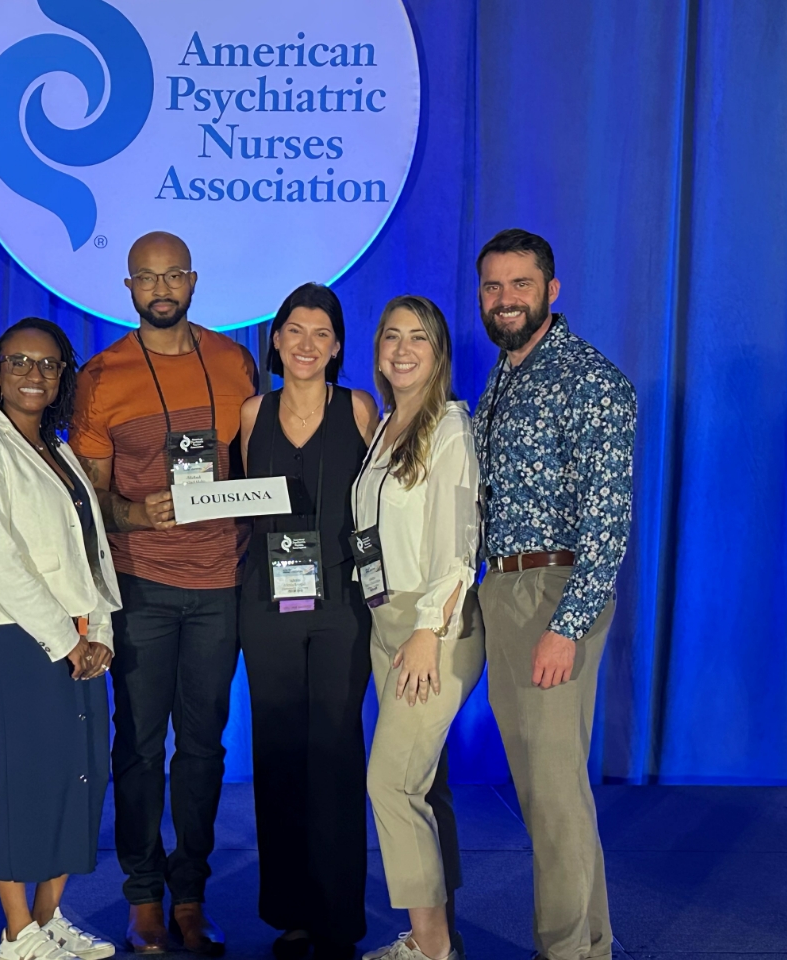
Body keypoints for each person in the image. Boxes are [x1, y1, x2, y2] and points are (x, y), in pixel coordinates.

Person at [70, 231, 257, 956]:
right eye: (146, 277)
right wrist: (133, 512)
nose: (160, 287)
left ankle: (191, 893)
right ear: (127, 288)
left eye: (173, 274)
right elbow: (89, 496)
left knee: (204, 747)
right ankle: (143, 896)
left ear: (193, 280)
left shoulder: (234, 361)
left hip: (222, 581)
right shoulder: (103, 375)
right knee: (141, 748)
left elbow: (256, 459)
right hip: (141, 584)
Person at [471, 229, 636, 960]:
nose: (505, 300)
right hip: (502, 590)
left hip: (554, 591)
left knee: (555, 792)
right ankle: (591, 945)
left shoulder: (591, 380)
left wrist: (564, 625)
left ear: (551, 290)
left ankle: (569, 952)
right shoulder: (504, 374)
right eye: (493, 287)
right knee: (546, 790)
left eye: (520, 285)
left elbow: (607, 518)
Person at [0, 318, 121, 960]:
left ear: (61, 378)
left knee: (80, 775)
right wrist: (66, 638)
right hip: (18, 637)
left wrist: (100, 626)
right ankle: (17, 932)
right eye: (19, 361)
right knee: (24, 778)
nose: (33, 373)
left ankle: (49, 919)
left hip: (81, 635)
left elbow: (91, 548)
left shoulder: (61, 450)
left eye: (47, 364)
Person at [237, 283, 378, 960]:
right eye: (294, 329)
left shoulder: (358, 409)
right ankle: (292, 912)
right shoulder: (249, 412)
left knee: (335, 753)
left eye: (321, 333)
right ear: (276, 339)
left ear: (339, 347)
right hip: (266, 607)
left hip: (343, 610)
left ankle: (338, 916)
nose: (305, 344)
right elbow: (237, 507)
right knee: (279, 757)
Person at [356, 296, 483, 960]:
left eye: (418, 339)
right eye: (391, 337)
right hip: (387, 621)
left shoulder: (450, 429)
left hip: (431, 626)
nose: (402, 349)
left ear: (439, 353)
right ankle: (436, 933)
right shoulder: (386, 427)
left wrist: (431, 628)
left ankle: (431, 949)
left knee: (392, 784)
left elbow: (459, 546)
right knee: (422, 785)